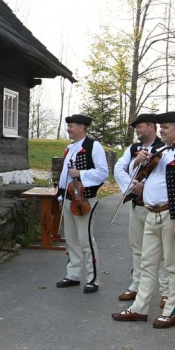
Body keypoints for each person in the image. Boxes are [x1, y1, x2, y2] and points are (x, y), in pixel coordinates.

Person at [112, 112, 175, 329]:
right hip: (151, 213)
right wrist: (137, 162)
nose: (161, 130)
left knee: (171, 265)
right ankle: (139, 308)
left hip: (172, 215)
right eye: (160, 127)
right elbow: (138, 178)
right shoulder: (158, 151)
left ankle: (172, 311)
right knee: (148, 263)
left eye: (166, 127)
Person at [114, 114, 169, 306]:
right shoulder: (133, 149)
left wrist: (144, 184)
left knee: (160, 253)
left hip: (156, 208)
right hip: (137, 205)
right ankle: (136, 286)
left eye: (140, 127)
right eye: (136, 128)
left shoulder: (165, 147)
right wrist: (133, 177)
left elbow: (166, 177)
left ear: (152, 127)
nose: (137, 130)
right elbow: (119, 168)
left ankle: (166, 292)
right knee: (137, 249)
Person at [55, 114, 109, 294]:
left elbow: (102, 173)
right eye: (68, 126)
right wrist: (61, 194)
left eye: (72, 126)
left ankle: (93, 278)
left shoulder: (94, 146)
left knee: (85, 240)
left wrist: (81, 173)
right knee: (71, 240)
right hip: (69, 200)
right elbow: (65, 174)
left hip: (84, 200)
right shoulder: (70, 147)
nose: (68, 129)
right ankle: (73, 275)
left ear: (82, 128)